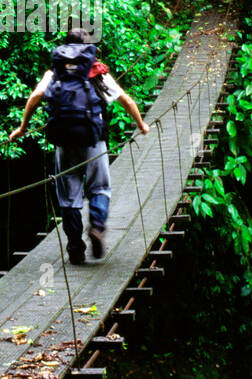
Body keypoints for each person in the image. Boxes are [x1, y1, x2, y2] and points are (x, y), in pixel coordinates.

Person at [9, 28, 150, 264]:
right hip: (94, 140)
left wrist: (23, 127)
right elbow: (125, 99)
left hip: (63, 142)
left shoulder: (54, 73)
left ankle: (75, 246)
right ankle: (96, 227)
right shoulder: (97, 72)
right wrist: (141, 124)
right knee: (100, 188)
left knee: (68, 197)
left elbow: (35, 96)